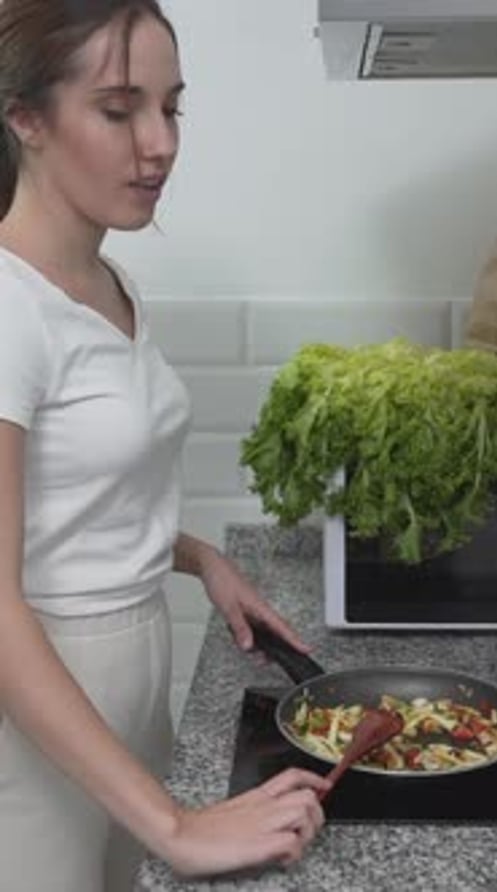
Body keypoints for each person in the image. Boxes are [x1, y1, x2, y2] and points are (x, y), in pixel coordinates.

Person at [0, 2, 330, 890]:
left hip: (126, 685)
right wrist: (175, 825)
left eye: (171, 107)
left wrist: (198, 557)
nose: (160, 142)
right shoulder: (5, 310)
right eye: (118, 110)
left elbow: (72, 498)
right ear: (25, 117)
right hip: (31, 720)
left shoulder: (109, 284)